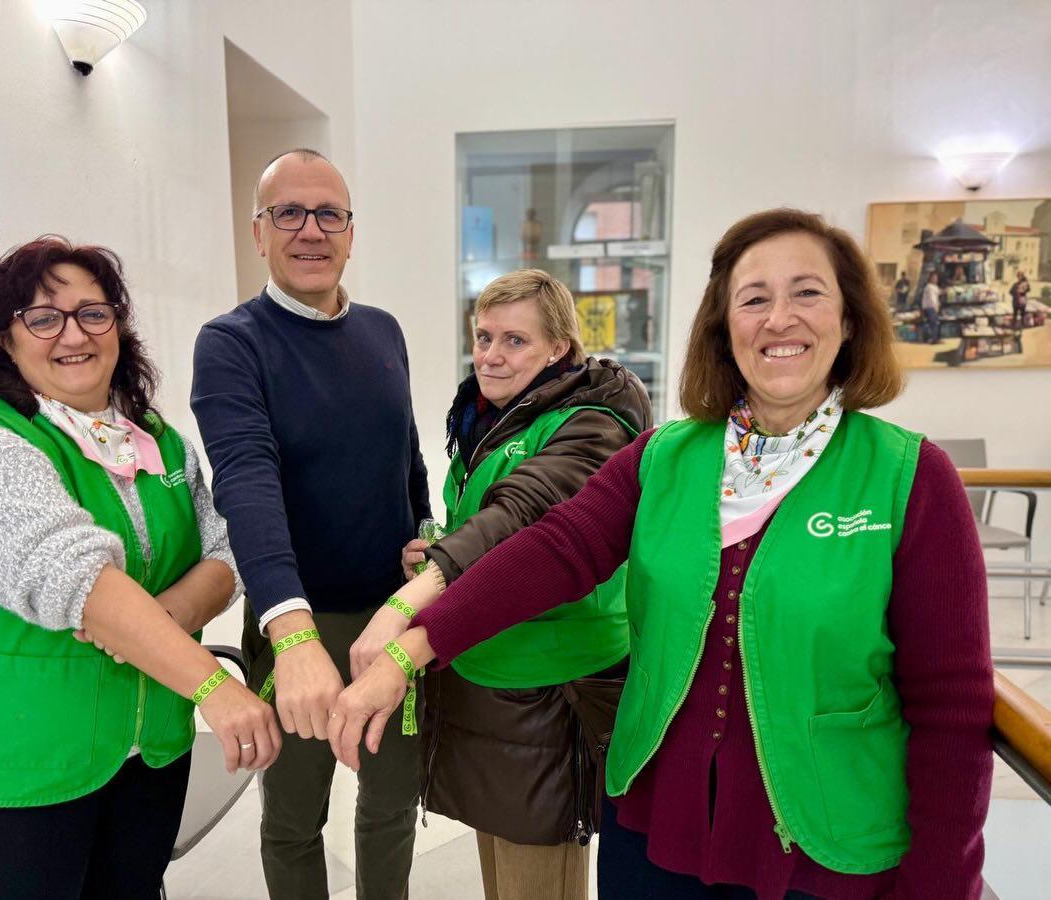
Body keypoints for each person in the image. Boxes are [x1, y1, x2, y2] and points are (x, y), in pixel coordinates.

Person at [331, 209, 993, 900]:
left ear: (850, 319)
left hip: (826, 847)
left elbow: (951, 709)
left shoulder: (908, 478)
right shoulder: (664, 458)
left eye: (807, 292)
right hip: (655, 835)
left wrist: (942, 886)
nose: (779, 319)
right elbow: (554, 551)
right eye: (754, 298)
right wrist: (410, 649)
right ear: (723, 326)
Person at [0, 237, 281, 900]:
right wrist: (215, 686)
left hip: (150, 754)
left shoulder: (158, 442)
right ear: (3, 340)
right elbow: (79, 582)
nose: (73, 335)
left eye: (93, 313)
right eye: (43, 318)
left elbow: (227, 549)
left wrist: (164, 619)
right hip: (24, 769)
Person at [348, 269, 651, 900]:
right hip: (485, 669)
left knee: (536, 876)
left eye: (515, 340)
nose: (490, 354)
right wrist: (438, 551)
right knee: (501, 870)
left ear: (559, 348)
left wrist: (404, 605)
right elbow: (481, 524)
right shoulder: (492, 418)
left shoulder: (591, 425)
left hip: (548, 686)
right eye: (483, 336)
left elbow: (518, 519)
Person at [191, 148, 430, 899]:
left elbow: (406, 453)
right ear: (258, 231)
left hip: (390, 623)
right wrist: (292, 635)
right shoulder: (232, 343)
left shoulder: (383, 332)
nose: (310, 230)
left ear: (351, 233)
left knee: (392, 804)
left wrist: (425, 531)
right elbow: (246, 483)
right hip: (295, 621)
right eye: (288, 212)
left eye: (329, 214)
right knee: (294, 817)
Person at [920, 269, 941, 343]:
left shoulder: (934, 286)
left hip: (930, 307)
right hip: (930, 307)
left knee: (933, 323)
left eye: (936, 278)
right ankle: (934, 339)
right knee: (934, 323)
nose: (935, 279)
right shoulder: (929, 287)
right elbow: (932, 298)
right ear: (930, 278)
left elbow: (937, 294)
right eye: (934, 278)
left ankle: (934, 338)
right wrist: (936, 307)